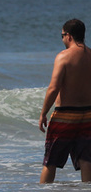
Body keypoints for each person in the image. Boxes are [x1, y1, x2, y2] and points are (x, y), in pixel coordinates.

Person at [39, 18, 91, 183]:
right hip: (88, 114)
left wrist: (43, 113)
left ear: (68, 36)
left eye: (62, 36)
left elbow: (54, 88)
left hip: (65, 115)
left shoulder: (63, 57)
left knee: (51, 161)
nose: (62, 39)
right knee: (86, 160)